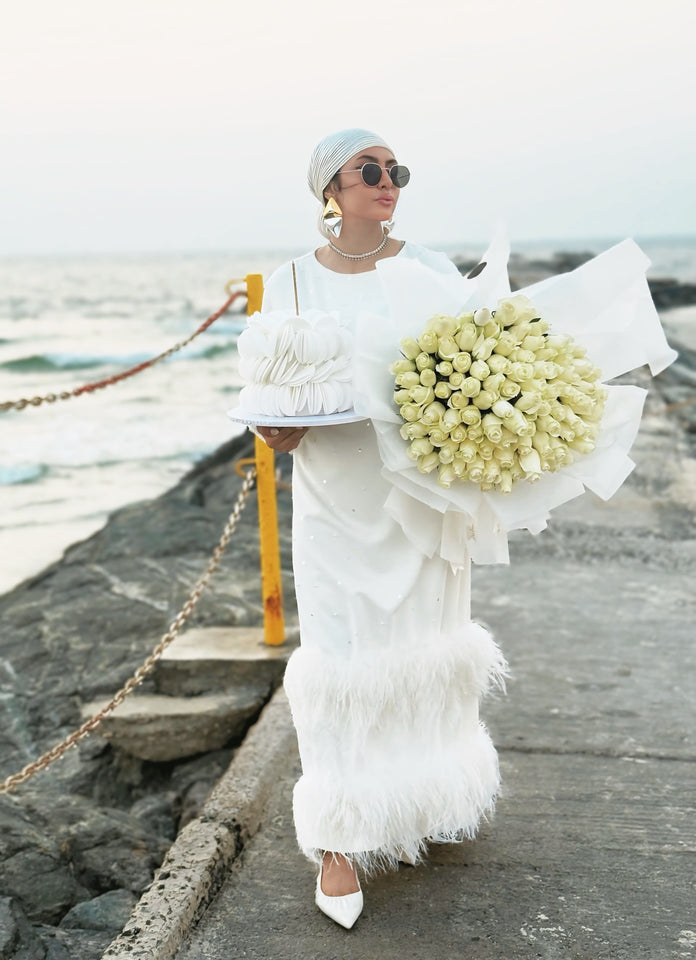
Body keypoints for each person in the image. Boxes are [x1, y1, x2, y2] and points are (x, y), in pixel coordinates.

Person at [256, 128, 507, 929]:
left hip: (423, 497)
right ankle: (338, 841)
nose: (387, 181)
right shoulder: (288, 283)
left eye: (396, 170)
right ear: (328, 187)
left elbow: (473, 367)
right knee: (341, 658)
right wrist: (276, 431)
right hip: (335, 498)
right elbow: (270, 395)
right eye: (369, 169)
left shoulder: (429, 269)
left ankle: (424, 800)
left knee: (425, 652)